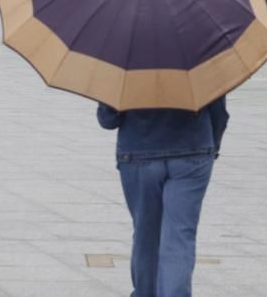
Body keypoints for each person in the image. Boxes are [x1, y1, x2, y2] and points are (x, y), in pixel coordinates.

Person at [97, 97, 229, 297]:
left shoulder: (126, 65)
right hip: (193, 150)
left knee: (145, 234)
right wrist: (213, 145)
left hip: (139, 152)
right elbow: (219, 112)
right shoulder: (200, 63)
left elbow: (108, 120)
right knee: (179, 236)